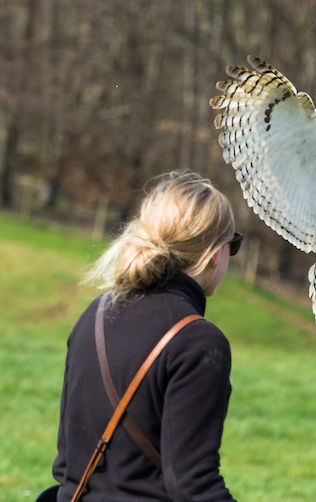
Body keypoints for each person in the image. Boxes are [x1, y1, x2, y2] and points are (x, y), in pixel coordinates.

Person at [51, 171, 241, 501]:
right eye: (233, 245)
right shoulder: (198, 343)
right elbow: (193, 485)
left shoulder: (94, 315)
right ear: (215, 254)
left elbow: (67, 462)